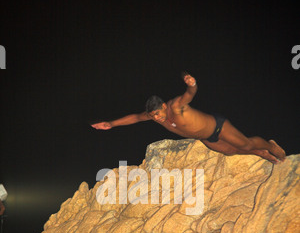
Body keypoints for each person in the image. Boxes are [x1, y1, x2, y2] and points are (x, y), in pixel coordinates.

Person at [91, 72, 286, 164]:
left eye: (158, 113)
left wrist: (192, 84)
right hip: (206, 137)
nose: (157, 118)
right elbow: (135, 117)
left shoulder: (176, 106)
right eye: (153, 116)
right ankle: (260, 154)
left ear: (164, 106)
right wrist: (111, 124)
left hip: (218, 127)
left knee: (244, 145)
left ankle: (269, 146)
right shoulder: (153, 116)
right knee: (230, 152)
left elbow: (190, 94)